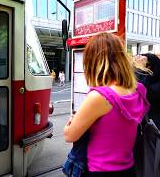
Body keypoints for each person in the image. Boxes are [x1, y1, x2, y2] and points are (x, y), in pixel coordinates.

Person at [63, 32, 150, 177]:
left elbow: (69, 135)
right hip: (128, 169)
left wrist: (70, 123)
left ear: (93, 61)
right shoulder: (138, 90)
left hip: (99, 171)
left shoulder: (100, 97)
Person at [134, 53, 160, 136]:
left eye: (144, 65)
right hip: (138, 126)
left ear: (151, 66)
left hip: (155, 128)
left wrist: (140, 71)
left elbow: (144, 93)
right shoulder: (144, 77)